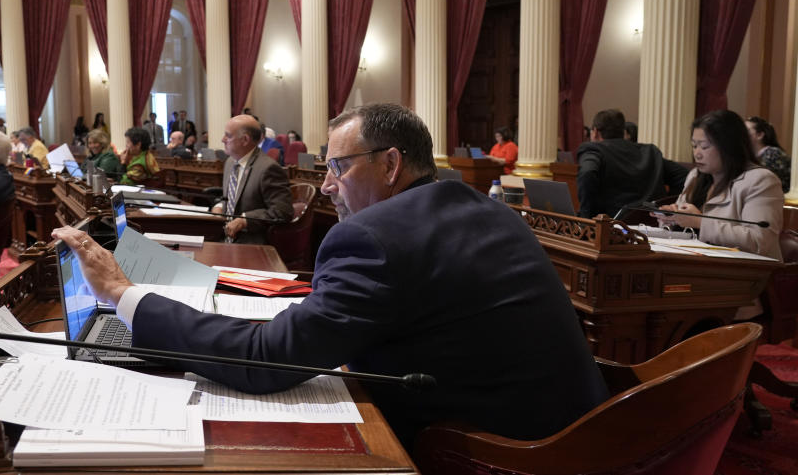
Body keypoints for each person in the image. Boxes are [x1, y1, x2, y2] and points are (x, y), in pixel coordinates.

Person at [53, 103, 608, 449]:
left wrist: (124, 295)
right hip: (571, 430)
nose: (325, 186)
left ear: (390, 165)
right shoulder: (477, 206)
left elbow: (268, 361)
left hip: (501, 453)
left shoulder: (375, 236)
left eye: (338, 168)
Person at [659, 110, 783, 261]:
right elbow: (684, 224)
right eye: (694, 146)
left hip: (744, 273)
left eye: (704, 147)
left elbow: (759, 241)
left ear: (729, 146)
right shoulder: (695, 176)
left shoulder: (761, 181)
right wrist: (671, 218)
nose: (697, 153)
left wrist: (699, 222)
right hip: (694, 263)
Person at [576, 109, 688, 219]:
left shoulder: (594, 150)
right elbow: (686, 176)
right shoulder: (650, 153)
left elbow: (587, 173)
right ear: (623, 132)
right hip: (653, 223)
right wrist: (666, 203)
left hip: (610, 227)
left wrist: (586, 216)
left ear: (595, 132)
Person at [209, 115, 293, 243]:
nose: (223, 139)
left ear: (245, 140)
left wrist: (245, 220)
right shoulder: (230, 162)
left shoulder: (268, 168)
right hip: (224, 237)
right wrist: (220, 206)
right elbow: (232, 198)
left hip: (250, 242)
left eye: (228, 136)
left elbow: (282, 212)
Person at [746, 116, 791, 192]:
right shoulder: (751, 155)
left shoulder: (773, 153)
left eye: (746, 130)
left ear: (760, 135)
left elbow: (763, 182)